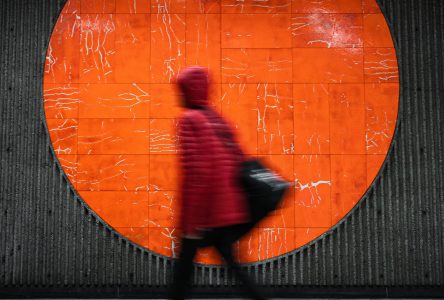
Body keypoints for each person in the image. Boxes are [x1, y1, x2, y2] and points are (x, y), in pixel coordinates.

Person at [171, 66, 266, 300]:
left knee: (184, 267)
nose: (179, 94)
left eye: (181, 90)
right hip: (226, 212)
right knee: (233, 265)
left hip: (205, 213)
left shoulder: (189, 120)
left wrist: (192, 222)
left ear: (187, 91)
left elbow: (196, 173)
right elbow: (238, 160)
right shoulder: (217, 119)